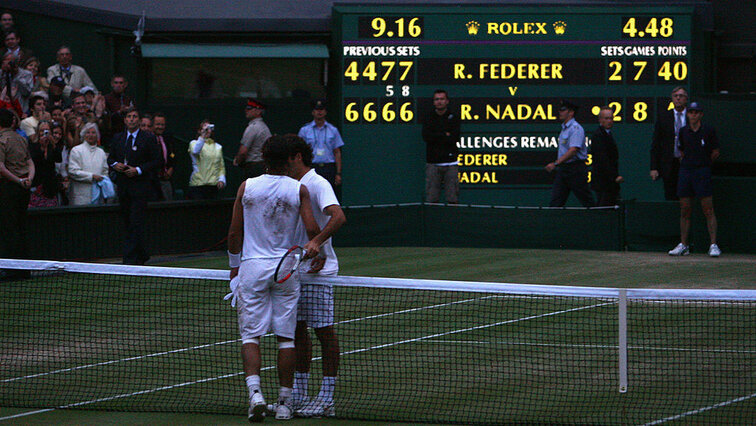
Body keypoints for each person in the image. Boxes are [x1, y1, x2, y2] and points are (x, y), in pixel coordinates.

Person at [226, 134, 325, 422]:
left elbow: (234, 233)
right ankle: (284, 403)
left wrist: (234, 267)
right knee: (286, 339)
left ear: (265, 159)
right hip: (285, 269)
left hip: (253, 268)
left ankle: (255, 395)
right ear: (288, 160)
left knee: (250, 336)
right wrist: (317, 251)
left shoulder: (247, 187)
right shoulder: (299, 189)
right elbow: (311, 229)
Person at [286, 135, 346, 418]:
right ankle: (299, 393)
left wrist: (317, 243)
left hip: (318, 273)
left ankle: (326, 398)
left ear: (297, 156)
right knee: (297, 330)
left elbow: (338, 216)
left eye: (284, 158)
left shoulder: (318, 183)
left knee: (323, 332)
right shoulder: (288, 184)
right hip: (293, 271)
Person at [107, 107, 163, 265]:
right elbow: (110, 158)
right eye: (129, 117)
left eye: (134, 116)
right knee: (127, 221)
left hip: (140, 186)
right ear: (125, 120)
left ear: (138, 120)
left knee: (135, 220)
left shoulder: (148, 138)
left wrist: (138, 170)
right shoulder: (118, 138)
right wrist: (115, 164)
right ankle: (142, 254)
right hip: (123, 186)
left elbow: (157, 161)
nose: (131, 119)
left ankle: (129, 259)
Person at [668, 102, 721, 257]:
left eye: (696, 112)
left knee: (708, 209)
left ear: (701, 115)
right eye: (691, 112)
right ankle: (684, 245)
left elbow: (715, 152)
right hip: (686, 172)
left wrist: (703, 163)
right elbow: (681, 152)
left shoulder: (708, 131)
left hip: (703, 172)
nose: (693, 115)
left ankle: (713, 244)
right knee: (685, 209)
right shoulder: (683, 131)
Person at [0, 108, 34, 278]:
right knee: (21, 227)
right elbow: (30, 163)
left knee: (10, 228)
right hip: (22, 188)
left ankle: (13, 270)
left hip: (9, 188)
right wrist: (28, 180)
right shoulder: (21, 138)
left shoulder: (2, 140)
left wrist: (19, 180)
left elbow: (1, 167)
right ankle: (24, 269)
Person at [545, 100, 595, 207]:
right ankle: (552, 222)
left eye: (563, 110)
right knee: (555, 202)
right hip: (564, 169)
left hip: (575, 169)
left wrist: (555, 163)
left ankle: (600, 219)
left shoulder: (576, 129)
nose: (560, 112)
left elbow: (573, 150)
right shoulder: (564, 129)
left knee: (587, 200)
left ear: (571, 113)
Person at [422, 89, 461, 204]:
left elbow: (454, 138)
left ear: (447, 101)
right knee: (432, 200)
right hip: (433, 164)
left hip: (451, 164)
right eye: (437, 99)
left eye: (442, 99)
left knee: (452, 200)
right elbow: (426, 137)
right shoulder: (429, 117)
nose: (439, 102)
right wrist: (444, 134)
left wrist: (436, 135)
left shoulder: (453, 117)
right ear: (434, 102)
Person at [297, 99, 344, 194]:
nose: (319, 112)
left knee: (328, 194)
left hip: (328, 168)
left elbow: (337, 152)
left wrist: (338, 173)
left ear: (325, 112)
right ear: (313, 112)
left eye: (322, 109)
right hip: (311, 167)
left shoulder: (333, 130)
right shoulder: (305, 130)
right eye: (317, 109)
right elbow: (299, 152)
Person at [651, 87, 688, 201]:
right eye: (675, 96)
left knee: (687, 195)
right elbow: (656, 143)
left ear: (686, 99)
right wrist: (654, 167)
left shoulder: (692, 116)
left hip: (687, 163)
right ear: (672, 99)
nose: (678, 98)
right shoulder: (664, 117)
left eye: (681, 96)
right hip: (669, 164)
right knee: (670, 195)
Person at [68, 122, 110, 205]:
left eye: (93, 132)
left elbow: (105, 172)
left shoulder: (101, 152)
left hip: (98, 196)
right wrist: (92, 176)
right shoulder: (76, 150)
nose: (91, 135)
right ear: (83, 135)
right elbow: (73, 171)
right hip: (80, 197)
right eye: (88, 132)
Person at [590, 106, 624, 206]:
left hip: (609, 184)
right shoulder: (598, 136)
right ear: (600, 120)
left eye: (611, 118)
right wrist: (615, 177)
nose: (609, 121)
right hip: (603, 183)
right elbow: (602, 160)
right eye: (606, 118)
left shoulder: (607, 135)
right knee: (603, 211)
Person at [188, 120, 226, 199]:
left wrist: (221, 180)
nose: (207, 130)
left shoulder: (218, 147)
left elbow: (221, 166)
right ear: (199, 130)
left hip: (213, 186)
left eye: (209, 128)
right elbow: (195, 151)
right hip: (198, 185)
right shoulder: (193, 143)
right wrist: (202, 136)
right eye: (205, 128)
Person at [234, 98, 271, 179]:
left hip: (253, 168)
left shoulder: (253, 128)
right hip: (263, 167)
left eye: (249, 109)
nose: (246, 110)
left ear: (258, 111)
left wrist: (238, 161)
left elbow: (243, 152)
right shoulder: (264, 127)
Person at [28, 120, 61, 207]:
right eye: (42, 130)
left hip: (50, 184)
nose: (44, 133)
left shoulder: (52, 145)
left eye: (46, 130)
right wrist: (42, 147)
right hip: (37, 182)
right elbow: (33, 159)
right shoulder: (33, 144)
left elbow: (59, 159)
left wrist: (53, 144)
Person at [152, 112, 176, 200]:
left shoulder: (168, 139)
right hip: (152, 182)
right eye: (158, 124)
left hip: (165, 180)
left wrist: (171, 168)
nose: (160, 127)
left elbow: (173, 156)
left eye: (162, 125)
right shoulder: (148, 140)